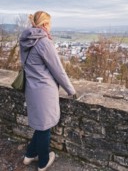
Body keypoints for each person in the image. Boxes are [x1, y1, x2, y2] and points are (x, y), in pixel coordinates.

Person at [19, 11, 76, 171]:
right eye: (49, 24)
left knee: (41, 124)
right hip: (45, 91)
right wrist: (71, 90)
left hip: (32, 89)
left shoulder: (25, 41)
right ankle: (43, 162)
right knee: (45, 127)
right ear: (45, 24)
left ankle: (29, 155)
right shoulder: (44, 42)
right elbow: (58, 70)